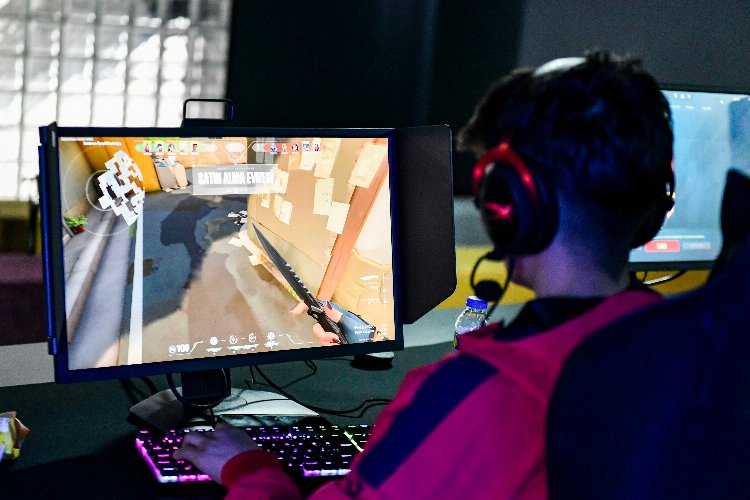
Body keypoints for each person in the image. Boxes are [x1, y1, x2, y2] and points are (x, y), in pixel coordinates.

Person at [174, 50, 674, 498]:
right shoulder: (693, 350)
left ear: (508, 204)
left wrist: (250, 469)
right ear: (657, 206)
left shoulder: (476, 398)